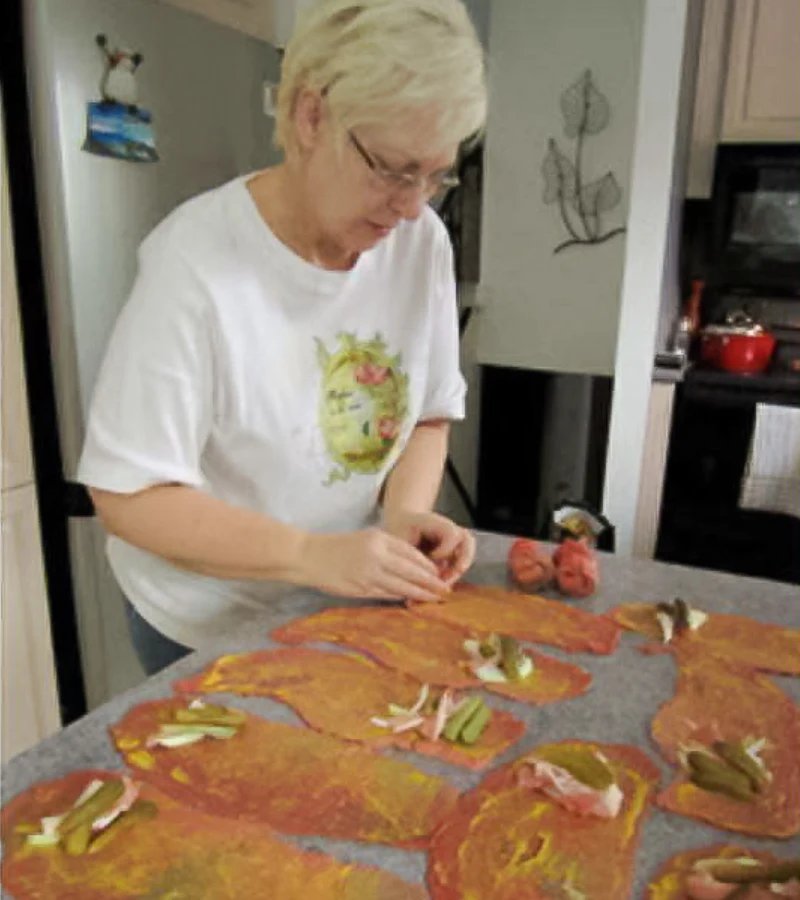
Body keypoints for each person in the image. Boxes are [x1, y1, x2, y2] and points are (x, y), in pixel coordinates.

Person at [78, 0, 488, 676]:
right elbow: (129, 497)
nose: (415, 205)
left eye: (435, 175)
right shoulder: (194, 262)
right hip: (206, 622)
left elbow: (428, 418)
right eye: (394, 169)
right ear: (311, 116)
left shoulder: (422, 244)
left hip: (343, 606)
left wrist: (403, 517)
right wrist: (310, 554)